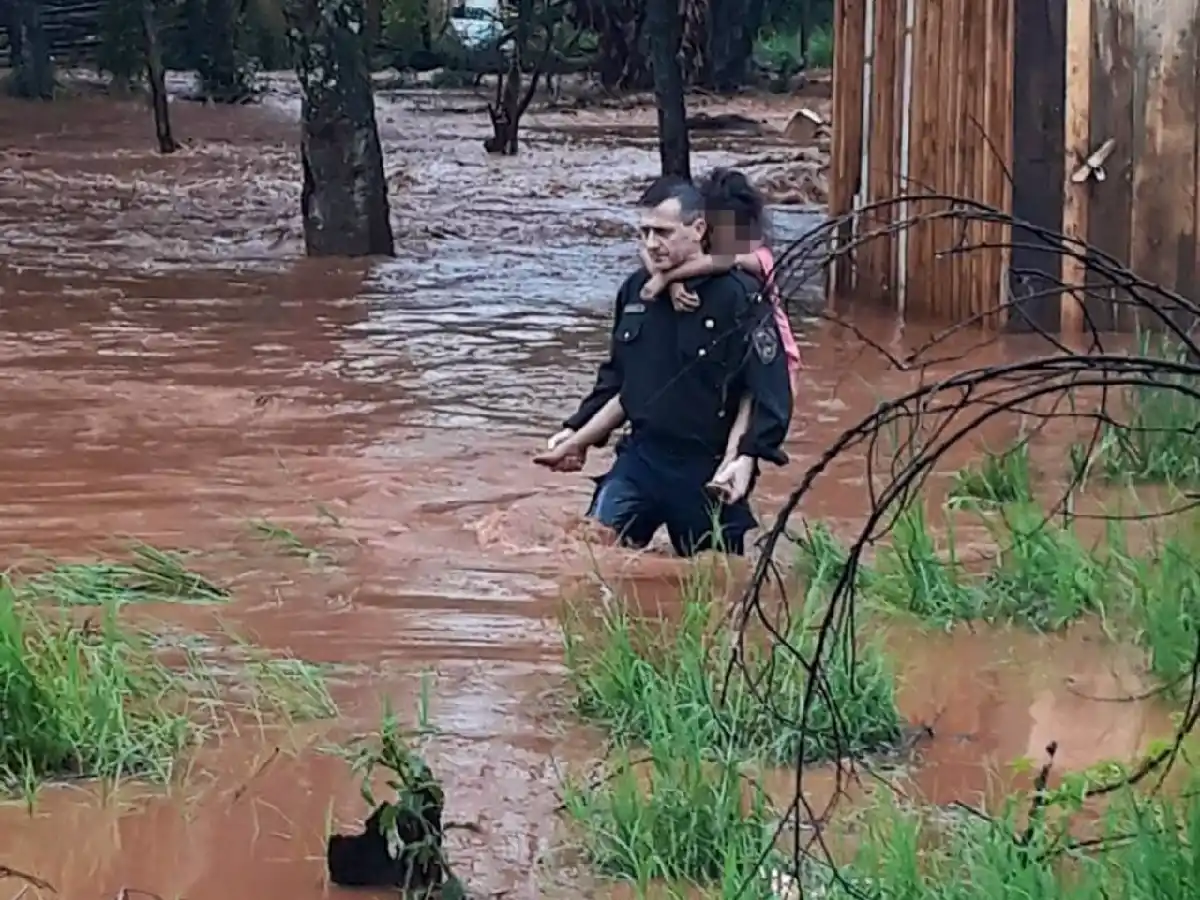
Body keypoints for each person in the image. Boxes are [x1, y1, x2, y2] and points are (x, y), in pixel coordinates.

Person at [534, 177, 793, 557]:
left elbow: (765, 387)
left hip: (706, 469)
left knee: (717, 582)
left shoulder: (739, 296)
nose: (652, 244)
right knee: (590, 559)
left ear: (699, 229)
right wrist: (575, 431)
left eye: (663, 232)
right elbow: (620, 379)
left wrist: (746, 459)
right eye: (645, 233)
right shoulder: (637, 292)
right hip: (640, 458)